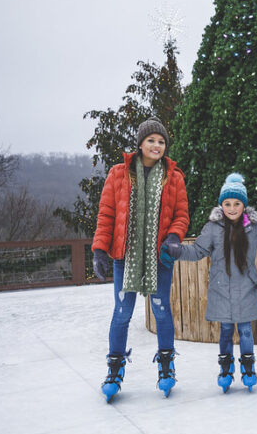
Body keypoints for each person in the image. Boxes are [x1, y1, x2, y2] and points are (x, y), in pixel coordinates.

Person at [162, 173, 257, 393]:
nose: (232, 208)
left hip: (246, 289)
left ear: (244, 205)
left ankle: (248, 368)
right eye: (227, 203)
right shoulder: (213, 228)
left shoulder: (253, 228)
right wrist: (177, 251)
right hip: (221, 290)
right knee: (225, 332)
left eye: (237, 203)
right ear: (221, 205)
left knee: (247, 332)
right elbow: (197, 251)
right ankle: (225, 367)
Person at [91, 117, 189, 402]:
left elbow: (181, 215)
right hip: (126, 255)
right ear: (140, 144)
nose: (156, 145)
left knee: (161, 310)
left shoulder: (174, 176)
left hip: (159, 258)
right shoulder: (118, 174)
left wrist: (173, 236)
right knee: (122, 313)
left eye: (161, 141)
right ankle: (114, 369)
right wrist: (99, 249)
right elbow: (107, 214)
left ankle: (167, 368)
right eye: (151, 140)